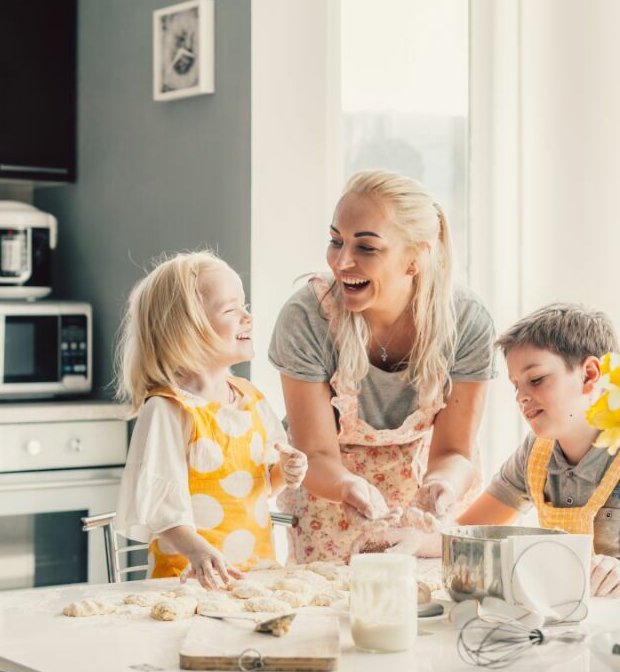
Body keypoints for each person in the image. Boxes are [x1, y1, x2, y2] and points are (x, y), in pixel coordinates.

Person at [269, 170, 496, 562]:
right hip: (330, 502)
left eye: (367, 248)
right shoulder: (308, 317)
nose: (342, 262)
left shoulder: (466, 321)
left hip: (422, 512)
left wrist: (443, 484)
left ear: (415, 258)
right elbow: (315, 453)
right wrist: (347, 487)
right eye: (336, 241)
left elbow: (456, 450)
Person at [114, 251, 308, 589]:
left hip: (253, 577)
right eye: (231, 309)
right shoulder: (168, 409)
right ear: (186, 330)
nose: (247, 316)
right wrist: (199, 553)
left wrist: (285, 472)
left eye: (244, 305)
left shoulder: (251, 398)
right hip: (186, 583)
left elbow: (259, 487)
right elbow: (161, 510)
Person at [454, 303, 620, 598]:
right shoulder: (536, 454)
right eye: (515, 385)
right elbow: (468, 531)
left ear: (590, 375)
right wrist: (418, 538)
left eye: (536, 379)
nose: (521, 397)